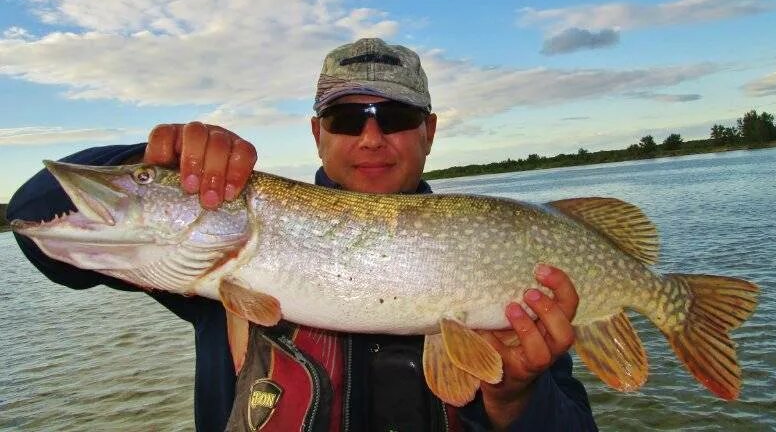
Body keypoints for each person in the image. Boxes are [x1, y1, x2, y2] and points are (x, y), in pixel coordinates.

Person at [10, 38, 597, 431]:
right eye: (347, 120)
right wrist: (146, 159)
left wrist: (513, 396)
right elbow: (33, 215)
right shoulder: (207, 260)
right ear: (317, 133)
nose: (371, 139)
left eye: (394, 118)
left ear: (430, 132)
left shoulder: (511, 256)